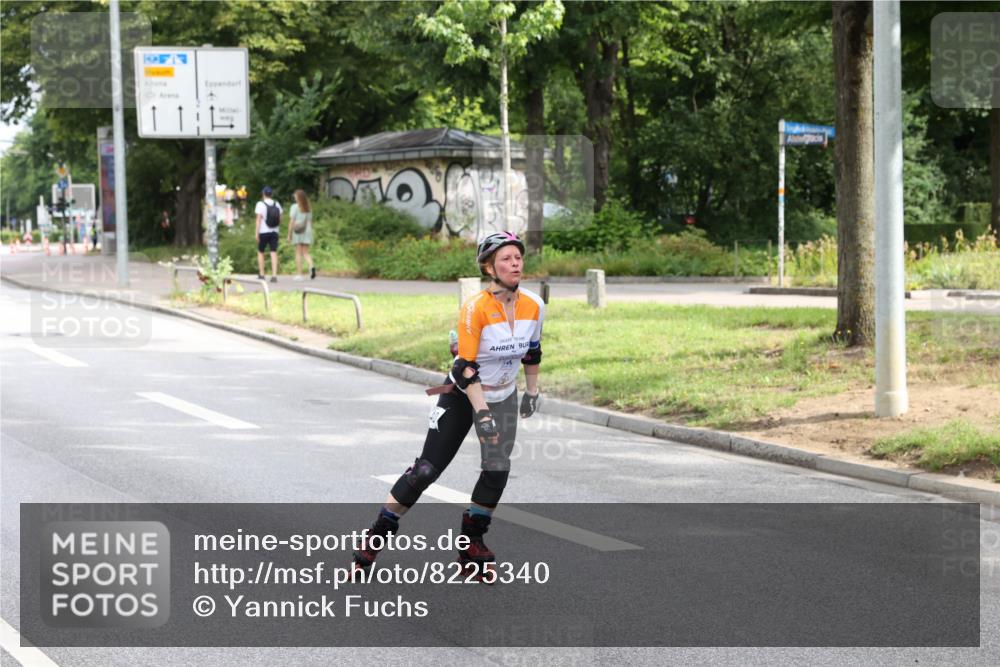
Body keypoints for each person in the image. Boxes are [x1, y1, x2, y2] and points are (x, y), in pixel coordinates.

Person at [352, 231, 544, 581]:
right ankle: (375, 537)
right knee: (427, 470)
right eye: (506, 258)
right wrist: (482, 413)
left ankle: (472, 543)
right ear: (489, 267)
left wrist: (531, 392)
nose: (515, 263)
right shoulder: (476, 308)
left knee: (497, 469)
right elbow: (464, 368)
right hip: (462, 395)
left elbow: (532, 352)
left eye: (518, 257)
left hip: (502, 394)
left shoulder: (534, 305)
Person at [254, 186, 282, 282]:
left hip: (263, 232)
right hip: (275, 232)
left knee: (261, 252)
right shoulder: (277, 204)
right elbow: (280, 219)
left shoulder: (260, 204)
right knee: (273, 252)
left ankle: (262, 274)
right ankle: (274, 276)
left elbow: (258, 220)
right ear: (271, 194)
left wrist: (256, 233)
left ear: (263, 194)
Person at [286, 189, 315, 281]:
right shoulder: (308, 208)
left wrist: (289, 234)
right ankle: (311, 267)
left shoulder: (294, 207)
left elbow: (292, 221)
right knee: (305, 253)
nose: (294, 197)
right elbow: (310, 222)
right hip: (307, 230)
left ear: (298, 197)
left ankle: (299, 275)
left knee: (298, 253)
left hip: (298, 231)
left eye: (295, 196)